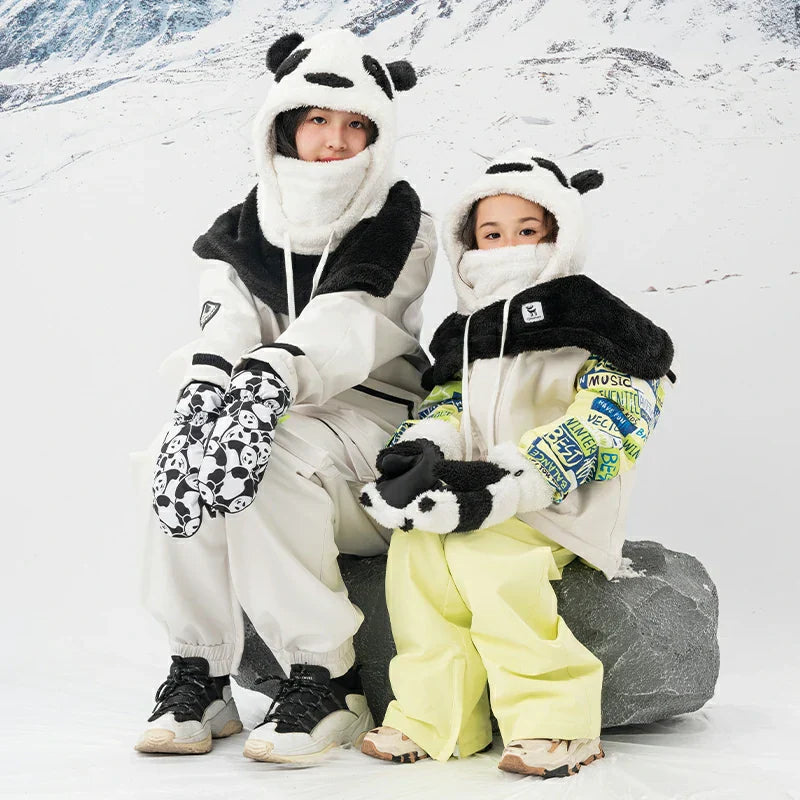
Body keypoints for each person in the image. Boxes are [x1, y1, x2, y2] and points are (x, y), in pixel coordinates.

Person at [134, 28, 437, 763]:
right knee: (176, 457)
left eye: (356, 124)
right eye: (318, 119)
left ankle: (328, 682)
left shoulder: (402, 222)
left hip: (368, 428)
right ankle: (200, 671)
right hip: (265, 408)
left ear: (378, 133)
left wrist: (272, 375)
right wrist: (207, 386)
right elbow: (226, 317)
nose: (335, 140)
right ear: (284, 123)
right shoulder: (245, 224)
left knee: (268, 454)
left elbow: (354, 322)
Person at [358, 148, 676, 777]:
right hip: (470, 495)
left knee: (489, 560)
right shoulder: (469, 330)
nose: (508, 247)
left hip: (560, 498)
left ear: (559, 235)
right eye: (492, 234)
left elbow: (615, 417)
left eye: (527, 231)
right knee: (416, 557)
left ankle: (556, 721)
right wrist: (423, 449)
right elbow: (448, 404)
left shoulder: (600, 320)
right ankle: (434, 716)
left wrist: (520, 477)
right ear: (468, 243)